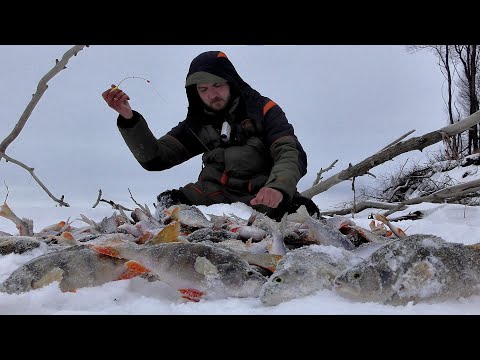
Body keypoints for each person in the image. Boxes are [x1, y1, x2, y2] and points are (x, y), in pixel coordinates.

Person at [102, 50, 320, 221]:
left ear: (231, 82)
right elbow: (156, 159)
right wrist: (129, 118)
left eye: (217, 85)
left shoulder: (263, 110)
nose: (212, 94)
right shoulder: (197, 122)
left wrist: (277, 187)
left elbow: (289, 153)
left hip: (261, 196)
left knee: (305, 212)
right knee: (168, 201)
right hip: (212, 194)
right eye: (203, 89)